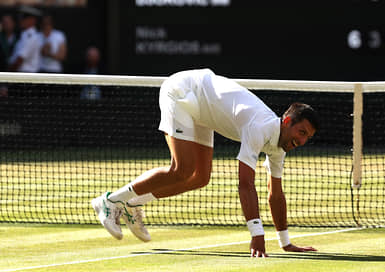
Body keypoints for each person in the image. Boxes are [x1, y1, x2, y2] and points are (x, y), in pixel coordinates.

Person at [91, 68, 319, 257]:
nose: (301, 140)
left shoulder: (281, 145)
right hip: (183, 92)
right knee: (182, 169)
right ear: (287, 121)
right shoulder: (259, 127)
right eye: (301, 132)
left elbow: (275, 194)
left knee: (200, 177)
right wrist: (257, 235)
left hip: (203, 108)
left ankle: (132, 204)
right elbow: (245, 184)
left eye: (307, 137)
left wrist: (285, 242)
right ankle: (109, 200)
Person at [8, 6, 42, 73]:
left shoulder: (30, 36)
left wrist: (9, 73)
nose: (21, 21)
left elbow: (20, 59)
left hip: (26, 75)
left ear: (33, 20)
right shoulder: (24, 34)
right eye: (20, 18)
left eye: (24, 18)